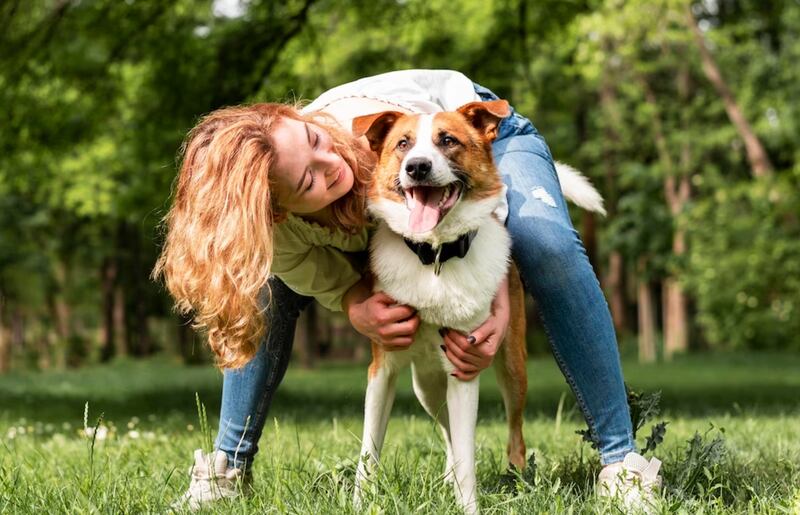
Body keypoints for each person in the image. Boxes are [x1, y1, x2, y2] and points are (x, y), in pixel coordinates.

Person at [153, 70, 662, 511]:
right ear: (279, 213)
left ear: (303, 120)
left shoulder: (376, 132)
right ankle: (227, 467)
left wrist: (498, 303)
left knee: (546, 244)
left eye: (313, 140)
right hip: (419, 197)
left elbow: (476, 194)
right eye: (308, 182)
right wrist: (355, 304)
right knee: (263, 284)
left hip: (474, 133)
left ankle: (622, 462)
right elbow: (320, 273)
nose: (329, 164)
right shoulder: (279, 232)